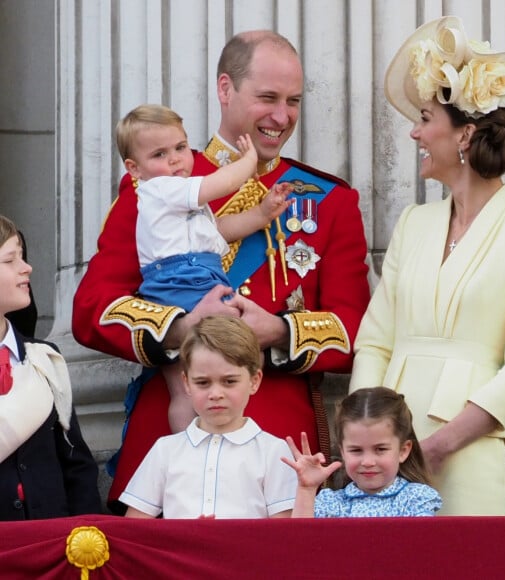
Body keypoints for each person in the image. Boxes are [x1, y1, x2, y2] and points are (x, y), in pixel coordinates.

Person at [72, 30, 370, 513]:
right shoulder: (156, 183)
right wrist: (179, 327)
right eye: (267, 98)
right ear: (226, 89)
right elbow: (91, 308)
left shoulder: (329, 202)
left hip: (277, 453)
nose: (282, 116)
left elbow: (358, 331)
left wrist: (278, 331)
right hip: (171, 449)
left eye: (293, 101)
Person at [349, 16, 505, 515]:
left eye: (425, 118)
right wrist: (366, 440)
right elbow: (376, 340)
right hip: (385, 455)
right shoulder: (414, 221)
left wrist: (439, 447)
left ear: (465, 135)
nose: (413, 133)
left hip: (466, 451)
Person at [116, 104, 292, 432]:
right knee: (236, 361)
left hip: (181, 283)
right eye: (159, 154)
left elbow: (219, 232)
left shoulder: (176, 200)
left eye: (181, 148)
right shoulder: (162, 188)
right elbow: (218, 185)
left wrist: (263, 214)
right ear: (134, 169)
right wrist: (249, 163)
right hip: (184, 284)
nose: (175, 160)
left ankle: (190, 447)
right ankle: (196, 448)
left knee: (186, 388)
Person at [120, 316, 297, 518]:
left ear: (254, 381)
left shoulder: (273, 451)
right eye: (203, 383)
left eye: (229, 381)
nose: (215, 394)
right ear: (186, 383)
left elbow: (284, 534)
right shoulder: (165, 450)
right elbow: (136, 526)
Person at [0, 215, 101, 520]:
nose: (26, 267)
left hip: (52, 545)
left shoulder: (46, 358)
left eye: (23, 256)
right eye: (10, 259)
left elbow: (76, 461)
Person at [282, 387, 441, 517]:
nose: (368, 462)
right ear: (342, 452)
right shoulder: (331, 503)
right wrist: (307, 489)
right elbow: (301, 544)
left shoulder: (416, 498)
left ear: (403, 451)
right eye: (356, 450)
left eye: (380, 449)